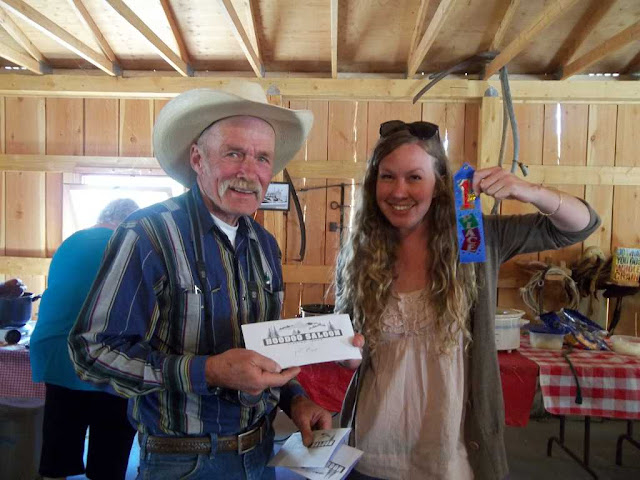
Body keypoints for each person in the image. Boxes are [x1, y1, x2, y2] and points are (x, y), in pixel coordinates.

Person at [68, 82, 332, 480]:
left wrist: (295, 401)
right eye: (234, 153)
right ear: (197, 158)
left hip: (260, 455)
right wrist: (207, 371)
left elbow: (265, 351)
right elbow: (91, 353)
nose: (248, 172)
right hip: (182, 462)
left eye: (262, 158)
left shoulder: (264, 245)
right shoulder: (148, 235)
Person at [335, 120, 601, 480]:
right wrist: (348, 354)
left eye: (414, 177)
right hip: (373, 452)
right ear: (373, 183)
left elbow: (581, 226)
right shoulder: (360, 254)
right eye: (387, 177)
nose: (399, 191)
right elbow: (350, 347)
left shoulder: (476, 237)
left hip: (453, 457)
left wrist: (529, 191)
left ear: (439, 184)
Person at [30, 198, 140, 480]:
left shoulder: (71, 241)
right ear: (129, 221)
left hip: (56, 353)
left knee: (57, 450)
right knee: (108, 458)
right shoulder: (129, 243)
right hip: (107, 358)